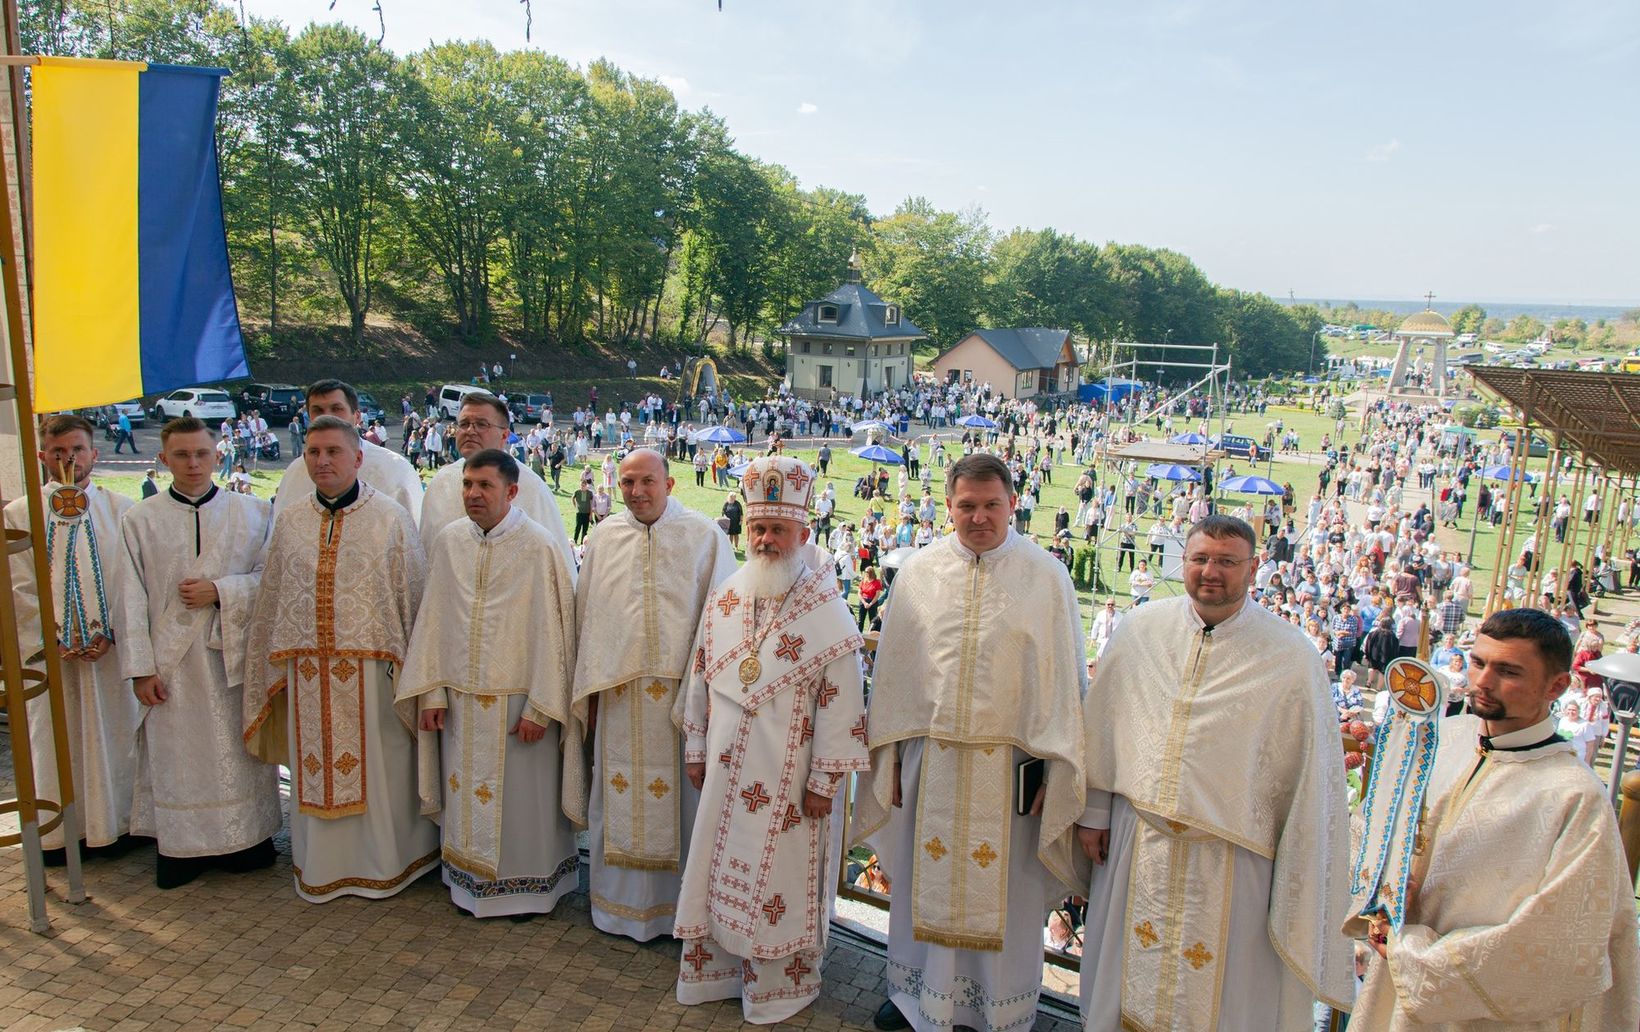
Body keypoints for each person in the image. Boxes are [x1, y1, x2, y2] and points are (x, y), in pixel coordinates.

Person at [1078, 514, 1352, 1030]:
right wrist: (1093, 810)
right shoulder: (1141, 630)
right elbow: (1104, 724)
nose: (1212, 572)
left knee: (1223, 998)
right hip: (1140, 841)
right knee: (1119, 989)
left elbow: (1310, 775)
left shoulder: (1291, 656)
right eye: (1201, 559)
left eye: (1227, 562)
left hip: (1235, 859)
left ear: (1254, 569)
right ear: (1183, 562)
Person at [854, 453, 1087, 1032]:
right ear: (949, 506)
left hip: (1011, 772)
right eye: (966, 506)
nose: (979, 517)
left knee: (1007, 895)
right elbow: (895, 678)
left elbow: (1065, 684)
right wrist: (885, 764)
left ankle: (995, 1011)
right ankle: (916, 998)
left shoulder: (1046, 576)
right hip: (928, 764)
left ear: (1012, 504)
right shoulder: (921, 572)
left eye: (990, 505)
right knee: (916, 880)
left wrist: (1058, 772)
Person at [1346, 608, 1639, 1029]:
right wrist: (1378, 895)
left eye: (1509, 672)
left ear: (1556, 685)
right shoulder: (1441, 741)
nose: (1483, 681)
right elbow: (1370, 832)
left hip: (1485, 1015)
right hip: (1392, 989)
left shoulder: (1574, 797)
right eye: (1480, 662)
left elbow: (1552, 945)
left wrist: (1412, 952)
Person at [673, 455, 869, 1024]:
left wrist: (826, 780)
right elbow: (701, 672)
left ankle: (778, 987)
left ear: (803, 533)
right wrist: (695, 745)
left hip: (790, 784)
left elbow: (843, 704)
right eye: (758, 528)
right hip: (726, 774)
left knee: (780, 882)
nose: (765, 539)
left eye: (778, 529)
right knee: (716, 868)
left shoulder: (825, 610)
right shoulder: (729, 594)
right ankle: (720, 974)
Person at [243, 415, 438, 903]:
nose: (323, 461)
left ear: (357, 457)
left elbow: (414, 602)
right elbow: (271, 602)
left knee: (383, 769)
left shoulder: (390, 517)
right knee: (314, 769)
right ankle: (322, 865)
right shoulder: (290, 520)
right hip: (308, 671)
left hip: (376, 675)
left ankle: (390, 863)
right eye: (313, 453)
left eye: (333, 452)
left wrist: (423, 679)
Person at [396, 449, 582, 917]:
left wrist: (541, 707)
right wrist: (432, 692)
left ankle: (527, 892)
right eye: (467, 485)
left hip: (520, 704)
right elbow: (433, 621)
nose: (473, 494)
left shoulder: (539, 546)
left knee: (522, 809)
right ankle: (469, 885)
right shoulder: (449, 541)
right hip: (459, 700)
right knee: (465, 799)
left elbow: (555, 633)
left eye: (485, 486)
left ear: (512, 491)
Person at [571, 448, 735, 940]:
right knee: (615, 797)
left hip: (681, 701)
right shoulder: (603, 536)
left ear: (670, 484)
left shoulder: (704, 536)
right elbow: (588, 618)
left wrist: (703, 699)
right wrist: (591, 692)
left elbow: (720, 621)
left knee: (682, 807)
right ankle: (617, 907)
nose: (637, 492)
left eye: (647, 482)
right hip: (618, 697)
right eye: (627, 483)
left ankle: (676, 914)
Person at [117, 417, 280, 888]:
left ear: (218, 455)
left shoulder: (253, 513)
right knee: (178, 757)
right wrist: (140, 670)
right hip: (172, 669)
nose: (193, 464)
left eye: (201, 454)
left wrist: (221, 590)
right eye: (182, 455)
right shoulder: (140, 520)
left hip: (230, 660)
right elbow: (129, 598)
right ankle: (183, 850)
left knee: (237, 753)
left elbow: (270, 581)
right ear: (163, 459)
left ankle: (246, 842)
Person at [5, 415, 140, 863]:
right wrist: (53, 636)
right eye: (59, 451)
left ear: (94, 454)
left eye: (77, 450)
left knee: (114, 732)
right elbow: (18, 586)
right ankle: (57, 835)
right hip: (49, 657)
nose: (69, 460)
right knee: (53, 736)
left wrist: (112, 631)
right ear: (42, 455)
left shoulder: (120, 510)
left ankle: (117, 825)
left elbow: (130, 579)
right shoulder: (21, 514)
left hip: (110, 654)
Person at [415, 392, 574, 576]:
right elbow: (426, 554)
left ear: (504, 435)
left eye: (481, 424)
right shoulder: (441, 483)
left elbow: (558, 567)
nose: (470, 431)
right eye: (464, 424)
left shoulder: (531, 488)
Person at [273, 380, 423, 524]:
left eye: (336, 409)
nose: (327, 417)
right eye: (318, 410)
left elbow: (412, 535)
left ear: (357, 416)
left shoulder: (395, 469)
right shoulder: (296, 471)